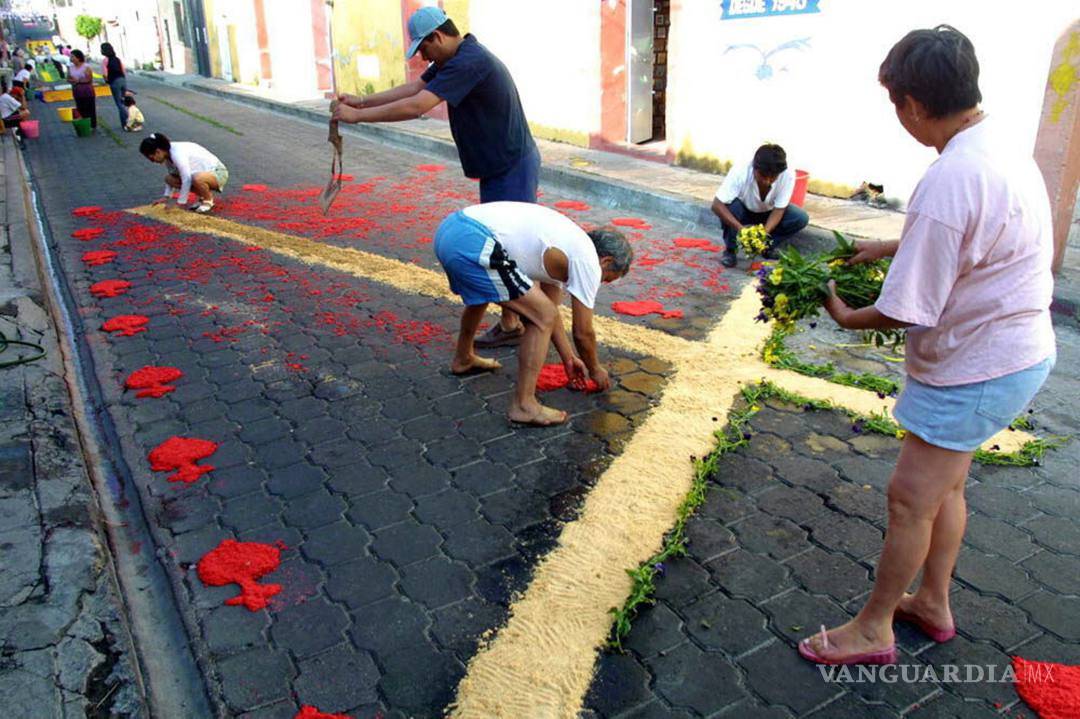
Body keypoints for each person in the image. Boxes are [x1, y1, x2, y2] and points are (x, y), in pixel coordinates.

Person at [798, 25, 1056, 666]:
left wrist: (844, 314)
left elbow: (903, 307)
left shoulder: (951, 178)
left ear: (912, 104)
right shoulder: (994, 143)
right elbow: (975, 230)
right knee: (946, 489)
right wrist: (892, 244)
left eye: (896, 104)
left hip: (979, 365)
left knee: (910, 498)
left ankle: (874, 628)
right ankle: (933, 603)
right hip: (1013, 353)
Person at [333, 6, 540, 350]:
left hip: (511, 166)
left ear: (438, 36)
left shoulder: (469, 61)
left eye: (424, 48)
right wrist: (362, 101)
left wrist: (357, 117)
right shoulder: (454, 58)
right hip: (498, 165)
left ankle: (528, 320)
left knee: (510, 246)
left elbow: (417, 106)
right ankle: (513, 321)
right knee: (502, 243)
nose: (423, 57)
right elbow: (415, 88)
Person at [434, 202, 633, 426]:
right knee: (541, 315)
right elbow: (582, 332)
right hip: (472, 240)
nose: (600, 282)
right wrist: (595, 369)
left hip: (451, 230)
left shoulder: (567, 246)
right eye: (606, 278)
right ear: (606, 261)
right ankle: (524, 405)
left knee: (500, 292)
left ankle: (463, 358)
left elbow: (550, 309)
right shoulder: (587, 260)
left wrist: (568, 358)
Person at [711, 143, 810, 268]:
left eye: (773, 177)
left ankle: (766, 247)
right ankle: (730, 250)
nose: (767, 181)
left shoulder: (787, 174)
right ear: (754, 168)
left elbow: (779, 209)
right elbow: (716, 205)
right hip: (743, 210)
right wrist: (741, 229)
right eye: (763, 176)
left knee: (800, 217)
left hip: (768, 212)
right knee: (730, 207)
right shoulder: (741, 170)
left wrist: (763, 234)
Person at [139, 133, 229, 214]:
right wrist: (166, 197)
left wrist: (180, 203)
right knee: (169, 179)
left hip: (218, 173)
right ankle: (203, 196)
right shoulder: (167, 155)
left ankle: (208, 200)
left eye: (152, 158)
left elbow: (186, 178)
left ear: (158, 151)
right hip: (203, 175)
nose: (153, 161)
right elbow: (173, 175)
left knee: (196, 178)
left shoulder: (177, 154)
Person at [100, 43, 128, 129]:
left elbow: (105, 74)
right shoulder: (117, 59)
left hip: (114, 82)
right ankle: (129, 119)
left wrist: (106, 81)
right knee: (124, 101)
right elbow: (123, 71)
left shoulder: (105, 60)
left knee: (119, 103)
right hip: (122, 80)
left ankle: (126, 122)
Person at [67, 50, 95, 129]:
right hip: (76, 90)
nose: (71, 58)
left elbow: (89, 79)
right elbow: (68, 78)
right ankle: (83, 125)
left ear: (78, 58)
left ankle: (92, 125)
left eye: (73, 56)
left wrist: (78, 81)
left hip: (87, 90)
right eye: (70, 56)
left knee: (89, 108)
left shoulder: (86, 67)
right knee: (80, 108)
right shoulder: (70, 67)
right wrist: (72, 81)